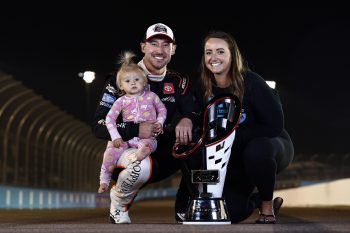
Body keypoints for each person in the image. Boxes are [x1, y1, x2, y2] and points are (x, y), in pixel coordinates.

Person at [175, 31, 294, 224]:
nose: (214, 58)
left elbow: (275, 126)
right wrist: (185, 119)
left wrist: (232, 137)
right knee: (229, 213)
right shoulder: (202, 87)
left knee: (257, 150)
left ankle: (266, 205)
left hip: (269, 143)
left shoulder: (252, 82)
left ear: (232, 56)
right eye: (208, 52)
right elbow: (193, 118)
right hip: (230, 154)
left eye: (220, 52)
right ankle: (253, 200)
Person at [91, 23, 198, 224]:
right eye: (154, 44)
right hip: (127, 152)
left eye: (166, 45)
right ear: (143, 47)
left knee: (197, 139)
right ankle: (119, 203)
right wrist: (137, 128)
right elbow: (98, 125)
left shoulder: (179, 81)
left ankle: (186, 206)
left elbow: (193, 110)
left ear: (173, 49)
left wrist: (188, 119)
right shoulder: (120, 78)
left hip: (160, 150)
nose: (160, 50)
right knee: (141, 166)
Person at [98, 51, 167, 194]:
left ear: (144, 81)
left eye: (137, 79)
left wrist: (160, 122)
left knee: (149, 143)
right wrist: (115, 136)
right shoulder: (120, 101)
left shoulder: (152, 96)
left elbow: (162, 110)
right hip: (126, 138)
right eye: (128, 81)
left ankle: (142, 153)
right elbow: (109, 119)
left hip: (146, 137)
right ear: (121, 86)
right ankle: (104, 180)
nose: (133, 83)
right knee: (110, 151)